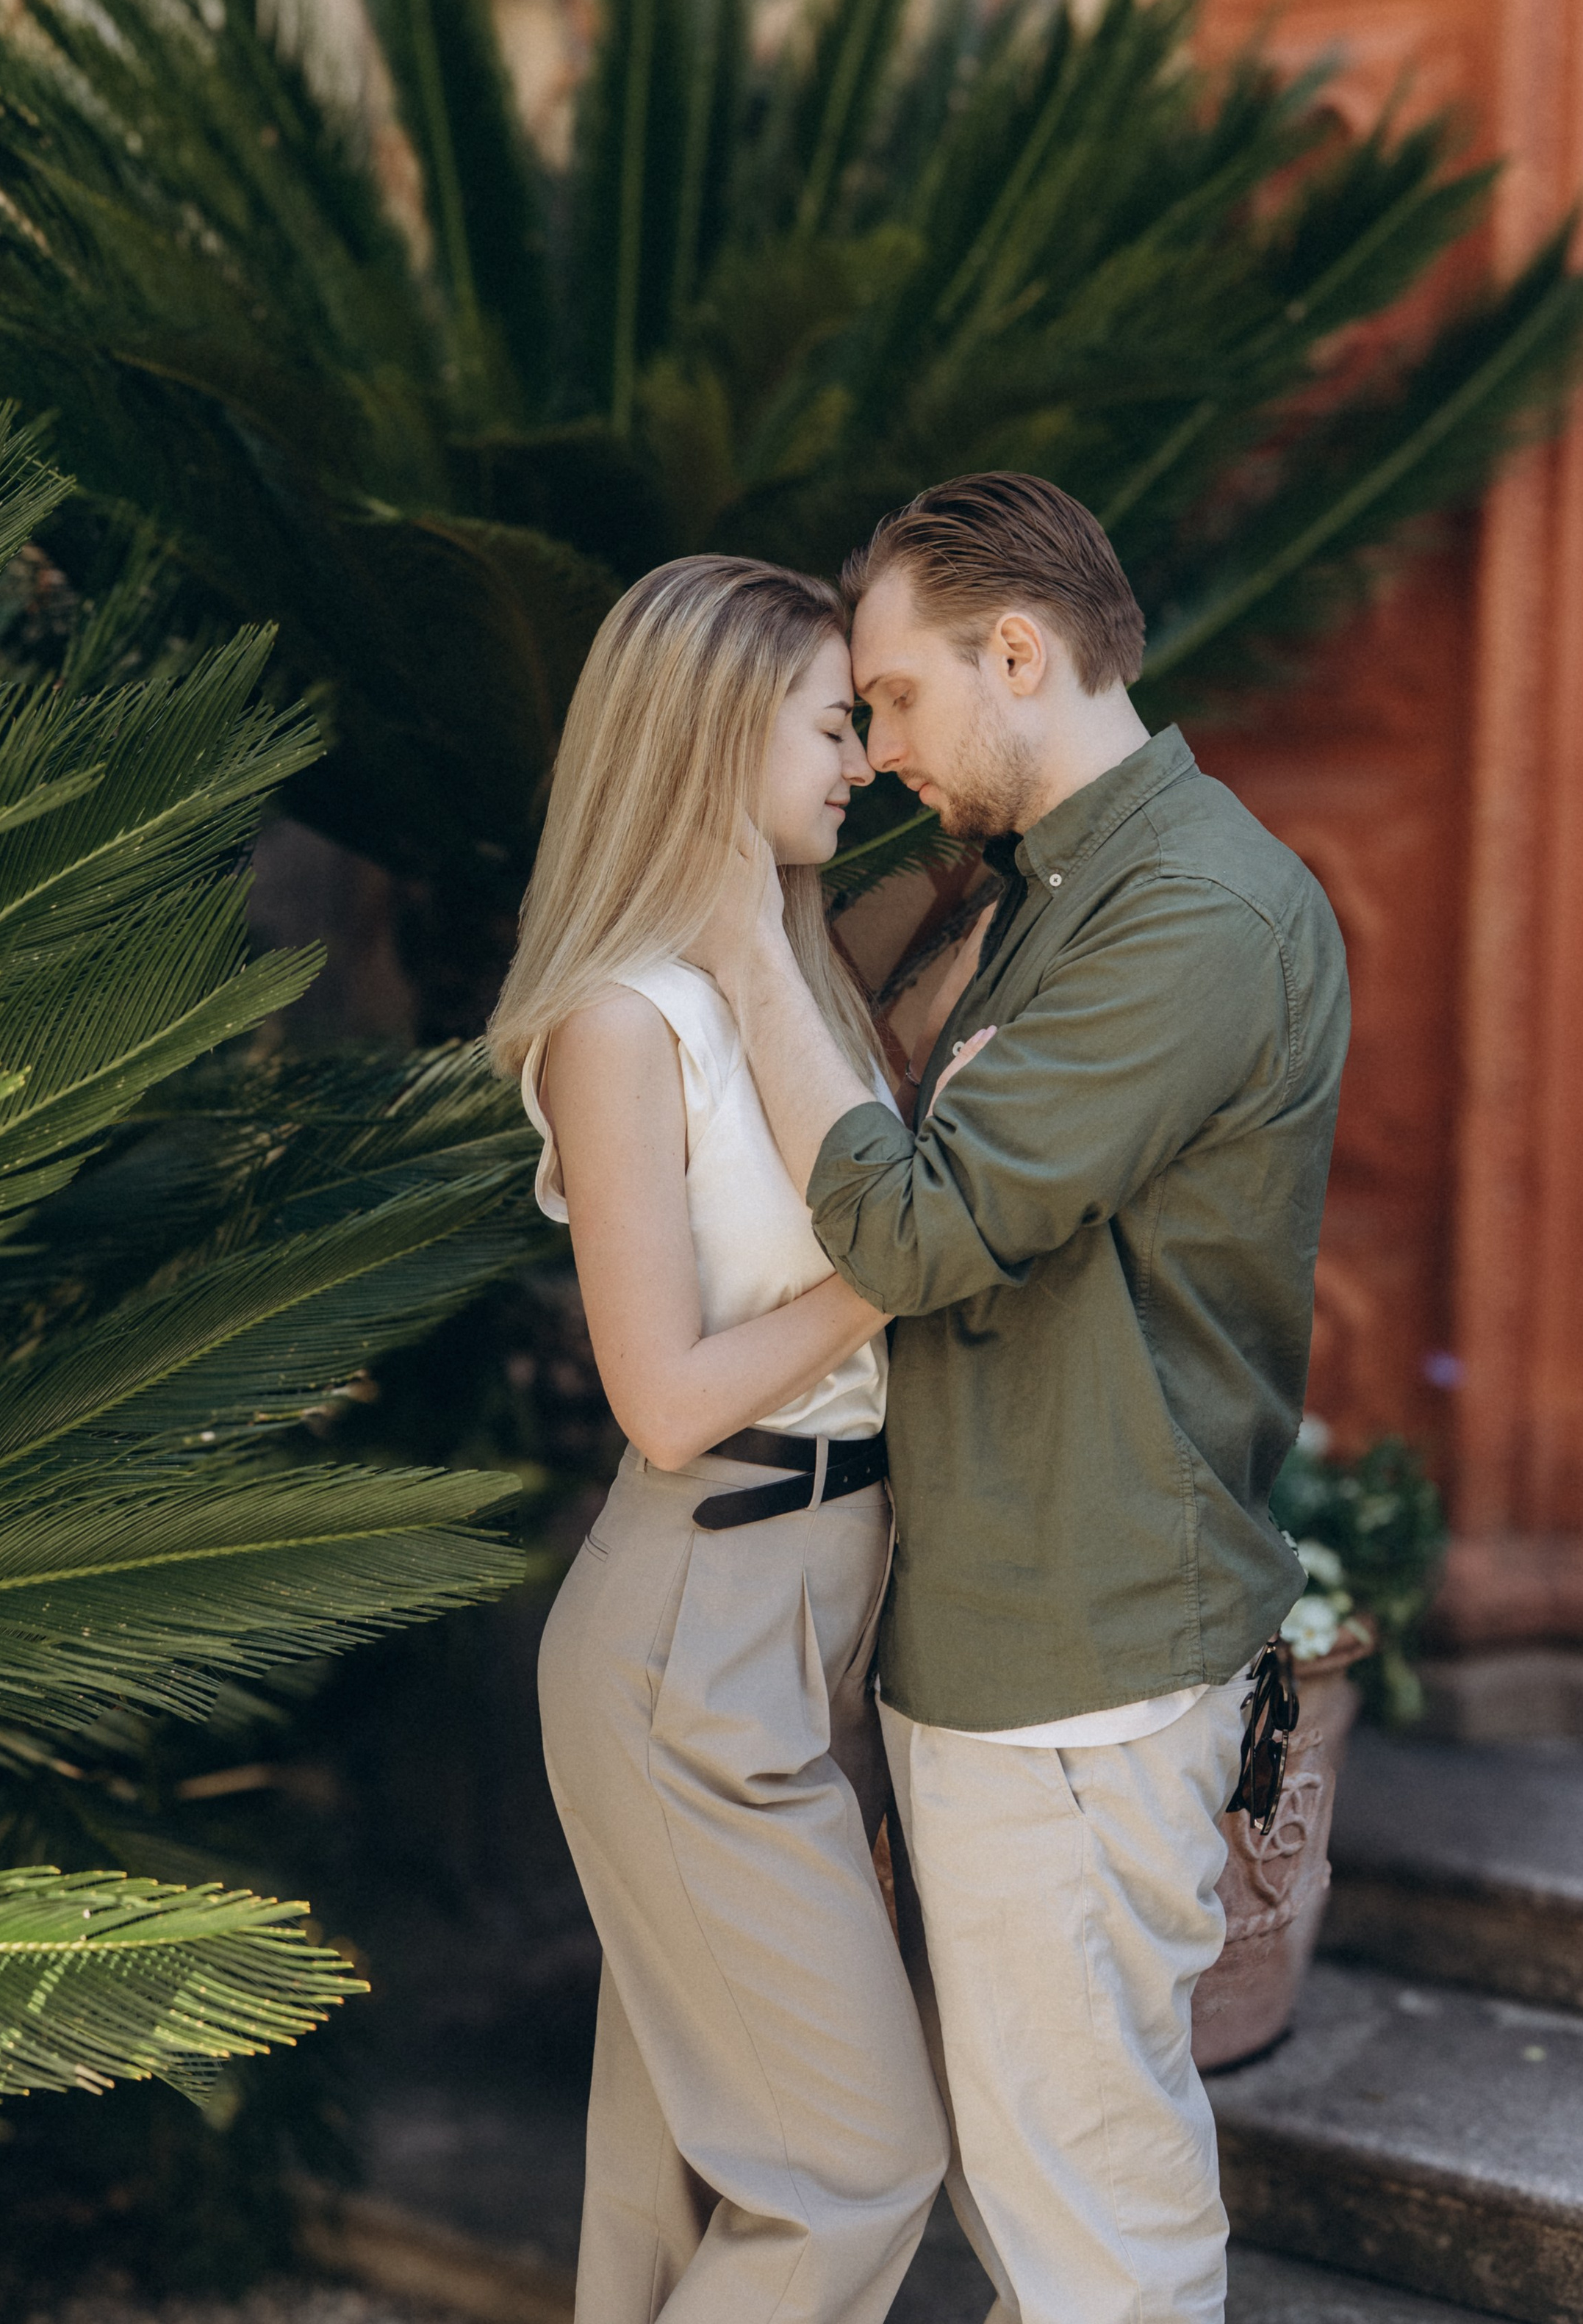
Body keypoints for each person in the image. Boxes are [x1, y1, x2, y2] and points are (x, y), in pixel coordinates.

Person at [703, 473, 1351, 2324]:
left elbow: (914, 1230)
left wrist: (750, 934)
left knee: (1089, 2241)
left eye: (892, 696)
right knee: (1049, 2202)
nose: (879, 749)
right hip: (1026, 1648)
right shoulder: (1057, 888)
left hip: (1077, 1674)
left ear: (1015, 650)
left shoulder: (1196, 914)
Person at [487, 554, 955, 2324]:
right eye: (831, 722)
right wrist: (896, 1271)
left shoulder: (789, 970)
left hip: (811, 1612)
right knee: (855, 2167)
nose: (860, 758)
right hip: (695, 1625)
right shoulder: (621, 1018)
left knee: (670, 2176)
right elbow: (665, 1396)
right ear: (710, 730)